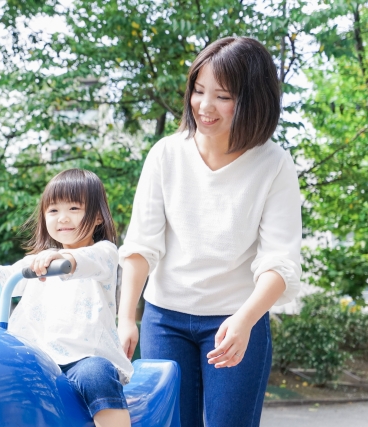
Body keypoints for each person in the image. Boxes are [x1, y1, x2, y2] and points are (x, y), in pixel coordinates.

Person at [117, 37, 302, 427]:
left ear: (253, 100)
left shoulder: (274, 165)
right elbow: (141, 245)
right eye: (199, 91)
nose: (204, 106)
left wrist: (246, 319)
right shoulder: (166, 155)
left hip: (237, 320)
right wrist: (125, 318)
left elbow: (279, 262)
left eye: (222, 96)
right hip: (164, 321)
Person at [0, 169, 134, 427]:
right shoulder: (38, 260)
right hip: (34, 357)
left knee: (97, 374)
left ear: (97, 217)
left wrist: (64, 259)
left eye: (74, 208)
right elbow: (7, 277)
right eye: (53, 210)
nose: (63, 217)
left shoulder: (103, 252)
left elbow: (85, 261)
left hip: (81, 358)